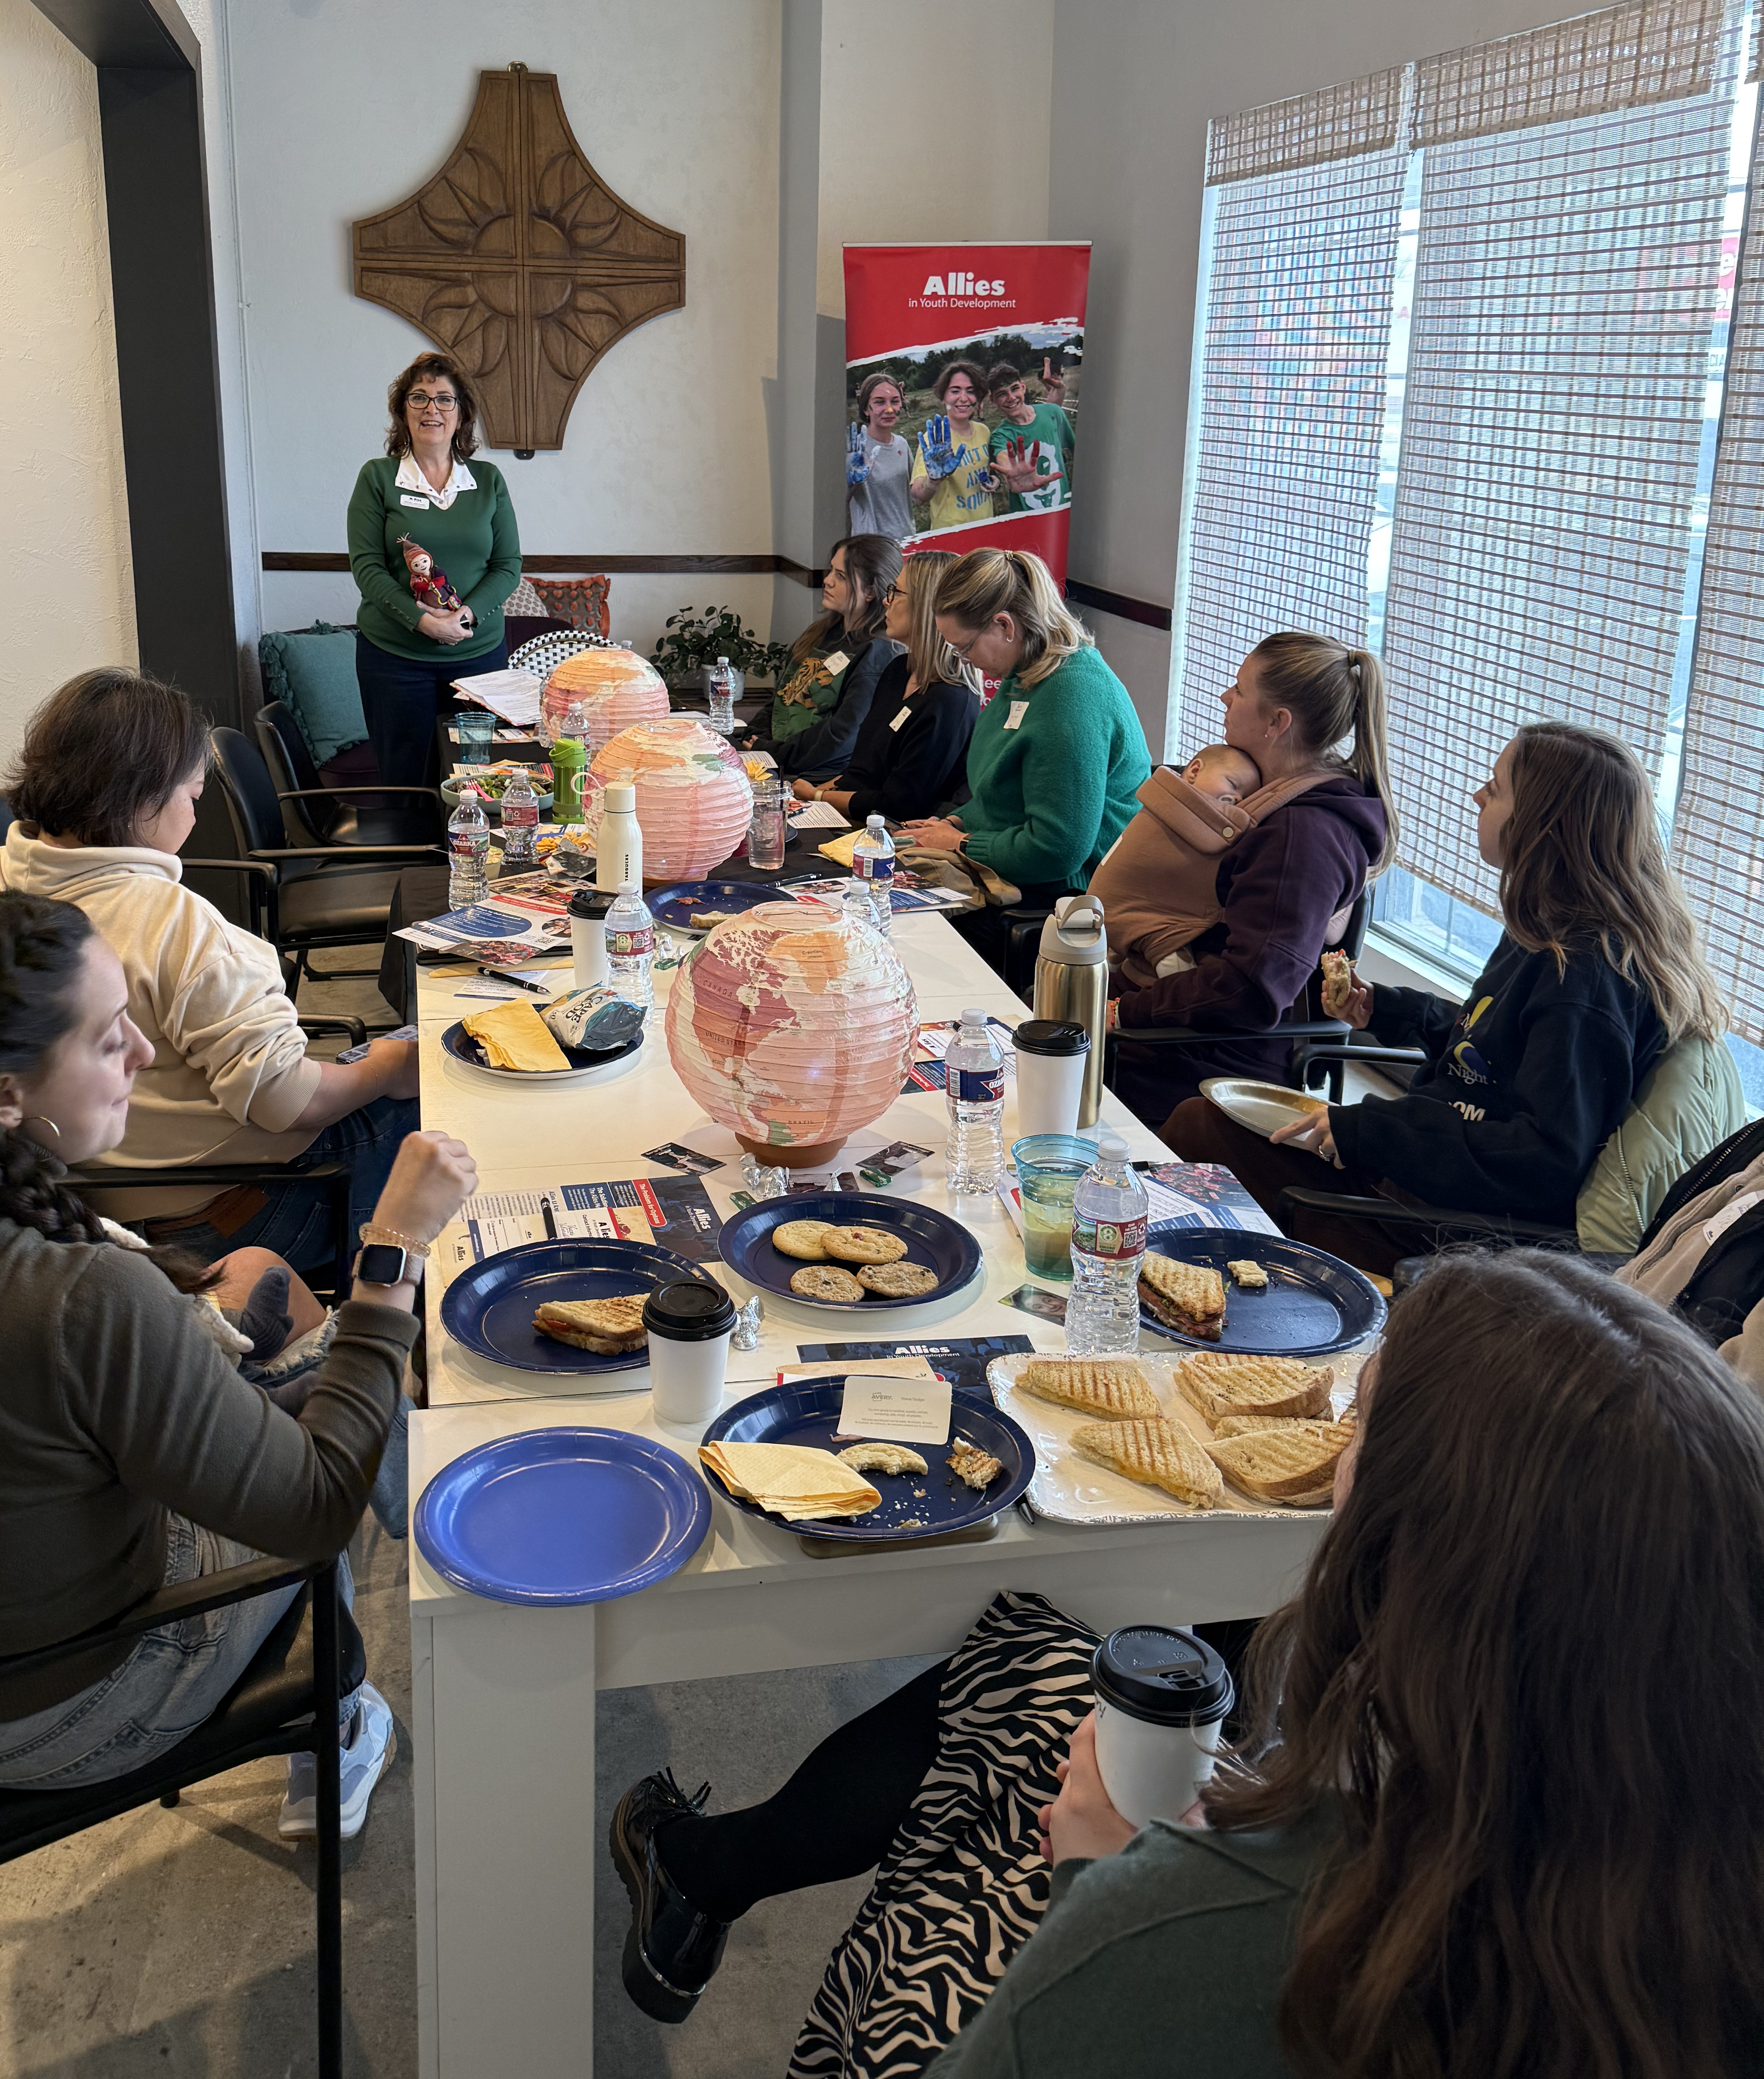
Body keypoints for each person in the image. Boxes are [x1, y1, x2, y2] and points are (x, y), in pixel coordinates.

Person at [611, 1251, 1764, 2079]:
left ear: (1404, 1548)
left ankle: (700, 1869)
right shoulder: (1686, 1903)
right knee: (1059, 1663)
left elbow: (1077, 2019)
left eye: (1358, 1432)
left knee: (1016, 1746)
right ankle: (706, 1867)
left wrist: (1101, 1881)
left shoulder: (1218, 1932)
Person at [0, 893, 477, 1838]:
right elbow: (314, 1512)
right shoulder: (81, 1298)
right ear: (4, 1098)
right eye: (111, 1038)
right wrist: (393, 1248)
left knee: (264, 1294)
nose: (144, 1056)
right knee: (338, 1381)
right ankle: (401, 1660)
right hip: (47, 1720)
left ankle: (440, 1549)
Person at [0, 667, 422, 1273]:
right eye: (194, 796)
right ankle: (397, 1288)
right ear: (144, 796)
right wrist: (386, 1071)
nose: (193, 814)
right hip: (222, 1214)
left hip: (47, 1207)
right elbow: (282, 1101)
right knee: (434, 1097)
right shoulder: (167, 922)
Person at [1178, 720, 1726, 1255]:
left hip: (1446, 1232)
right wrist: (1390, 1011)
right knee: (1206, 1124)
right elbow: (1494, 1052)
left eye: (1495, 788)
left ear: (1541, 824)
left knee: (1199, 1134)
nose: (1475, 796)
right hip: (1419, 1181)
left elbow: (1543, 1158)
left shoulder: (1583, 979)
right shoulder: (1542, 931)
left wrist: (1373, 1131)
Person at [1103, 631, 1395, 1128]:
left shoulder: (1301, 837)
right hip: (1184, 1028)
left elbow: (1253, 989)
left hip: (1204, 1059)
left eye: (1238, 690)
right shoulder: (1276, 806)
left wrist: (1126, 1013)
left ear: (1277, 723)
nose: (1225, 697)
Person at [897, 549, 1150, 931]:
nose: (963, 660)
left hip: (1065, 898)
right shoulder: (1026, 673)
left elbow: (1057, 850)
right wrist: (953, 822)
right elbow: (1001, 792)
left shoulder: (1071, 698)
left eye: (964, 648)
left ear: (1005, 626)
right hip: (1017, 869)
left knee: (900, 925)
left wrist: (960, 843)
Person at [347, 352, 523, 794]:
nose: (432, 409)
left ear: (461, 414)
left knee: (481, 783)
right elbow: (367, 567)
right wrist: (423, 620)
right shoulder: (378, 478)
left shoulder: (488, 481)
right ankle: (413, 864)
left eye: (445, 400)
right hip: (395, 662)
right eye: (420, 398)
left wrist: (463, 618)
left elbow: (508, 566)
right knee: (409, 788)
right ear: (402, 412)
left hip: (479, 660)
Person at [791, 553, 981, 825]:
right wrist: (808, 796)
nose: (885, 601)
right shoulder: (898, 670)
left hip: (895, 835)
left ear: (926, 606)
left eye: (896, 592)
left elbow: (901, 805)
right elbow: (861, 770)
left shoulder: (950, 700)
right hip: (852, 813)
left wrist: (818, 796)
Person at [1088, 741, 1264, 987]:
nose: (1237, 799)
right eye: (1233, 785)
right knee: (1182, 978)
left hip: (1117, 911)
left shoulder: (1160, 798)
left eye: (1246, 797)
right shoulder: (1180, 809)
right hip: (1147, 922)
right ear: (1194, 772)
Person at [767, 534, 903, 776]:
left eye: (841, 576)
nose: (827, 581)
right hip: (778, 755)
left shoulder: (879, 651)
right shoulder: (821, 632)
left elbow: (843, 736)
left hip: (817, 774)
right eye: (831, 570)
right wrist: (753, 737)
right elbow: (782, 697)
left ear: (870, 590)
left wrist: (773, 753)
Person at [909, 359, 997, 531]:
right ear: (944, 397)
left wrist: (994, 482)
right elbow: (917, 497)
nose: (963, 398)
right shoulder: (933, 441)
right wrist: (934, 481)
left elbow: (984, 472)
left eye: (970, 391)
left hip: (986, 527)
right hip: (951, 533)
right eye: (955, 391)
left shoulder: (984, 431)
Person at [983, 361, 1075, 515]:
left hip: (1062, 511)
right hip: (1027, 518)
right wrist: (1014, 475)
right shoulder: (1000, 436)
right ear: (992, 400)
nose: (1011, 398)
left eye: (1015, 389)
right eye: (1002, 394)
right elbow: (1003, 457)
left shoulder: (1053, 413)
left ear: (1023, 387)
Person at [846, 371, 915, 542]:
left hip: (906, 539)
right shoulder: (854, 449)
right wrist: (852, 484)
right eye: (879, 403)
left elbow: (914, 495)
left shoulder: (902, 445)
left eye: (895, 402)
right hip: (870, 548)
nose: (889, 409)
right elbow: (833, 506)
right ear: (865, 409)